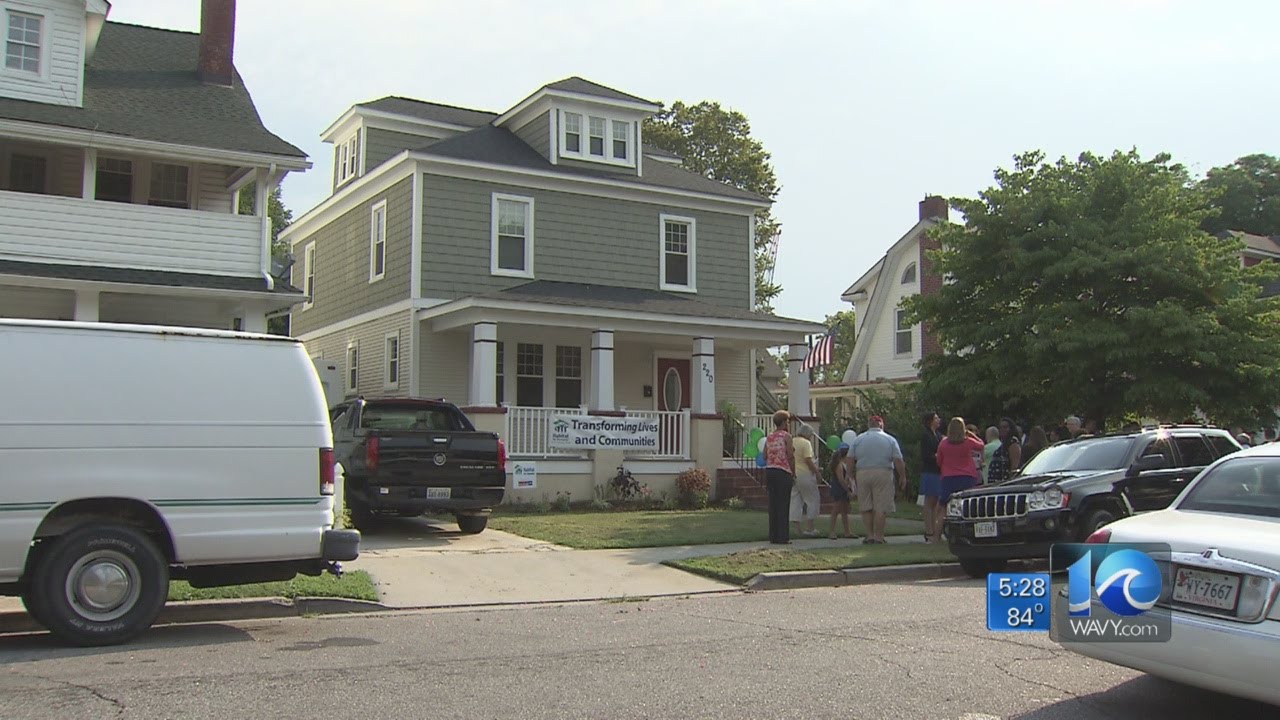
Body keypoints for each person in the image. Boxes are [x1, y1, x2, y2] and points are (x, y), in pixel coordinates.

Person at [846, 415, 907, 545]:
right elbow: (898, 459)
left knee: (866, 505)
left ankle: (869, 535)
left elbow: (850, 458)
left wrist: (850, 475)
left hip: (863, 472)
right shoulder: (889, 439)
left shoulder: (859, 439)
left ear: (869, 425)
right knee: (881, 506)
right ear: (881, 424)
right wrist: (902, 476)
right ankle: (879, 536)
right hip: (883, 472)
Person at [933, 417, 985, 544]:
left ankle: (936, 537)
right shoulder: (968, 442)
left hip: (949, 478)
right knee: (969, 507)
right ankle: (972, 535)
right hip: (967, 477)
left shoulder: (943, 443)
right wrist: (972, 434)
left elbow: (939, 461)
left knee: (943, 508)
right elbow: (981, 445)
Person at [763, 411, 795, 544]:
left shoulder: (769, 437)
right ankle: (783, 536)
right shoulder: (787, 436)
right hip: (783, 471)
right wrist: (793, 472)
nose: (788, 423)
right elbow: (790, 456)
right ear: (783, 422)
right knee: (783, 504)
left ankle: (773, 536)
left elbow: (764, 455)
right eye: (787, 421)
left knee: (773, 504)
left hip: (770, 471)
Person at [790, 425, 822, 537]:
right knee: (812, 499)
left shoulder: (792, 441)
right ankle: (810, 527)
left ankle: (798, 529)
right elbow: (808, 460)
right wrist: (817, 472)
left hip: (794, 473)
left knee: (795, 500)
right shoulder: (806, 443)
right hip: (805, 474)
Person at [919, 412, 943, 541]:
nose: (939, 420)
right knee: (930, 501)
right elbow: (925, 455)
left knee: (937, 502)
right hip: (929, 471)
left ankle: (935, 529)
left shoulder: (939, 435)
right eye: (936, 418)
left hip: (939, 471)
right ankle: (929, 530)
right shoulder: (926, 435)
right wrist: (936, 456)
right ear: (930, 421)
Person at [827, 445, 854, 539]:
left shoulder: (845, 465)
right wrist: (847, 490)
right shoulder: (839, 465)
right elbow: (841, 479)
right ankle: (832, 531)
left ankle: (847, 531)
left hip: (843, 488)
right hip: (839, 488)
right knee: (836, 509)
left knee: (844, 510)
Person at [987, 417, 1022, 483]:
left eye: (1005, 427)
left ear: (1011, 428)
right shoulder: (1004, 443)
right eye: (1000, 427)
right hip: (996, 482)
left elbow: (1014, 465)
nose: (1002, 429)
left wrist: (1011, 481)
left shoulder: (1013, 442)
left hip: (1004, 481)